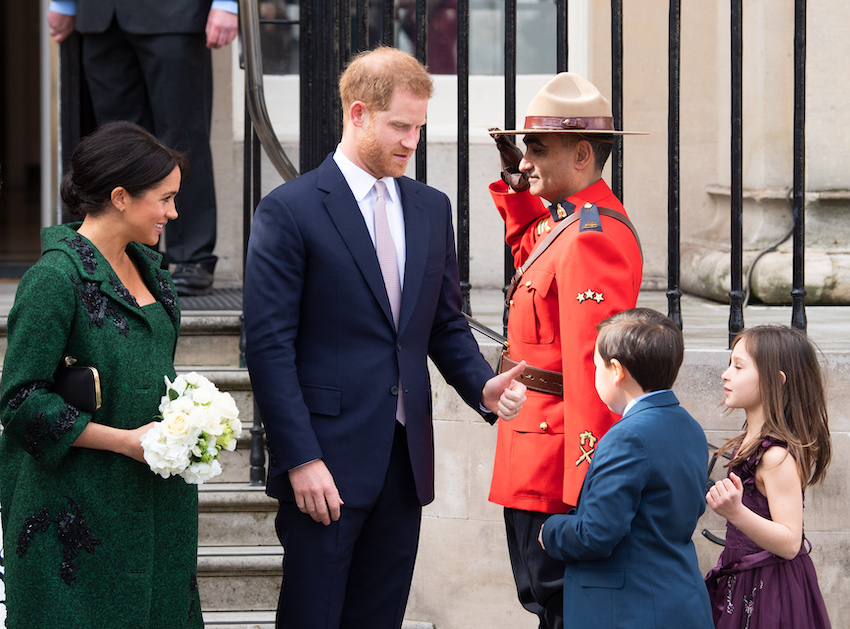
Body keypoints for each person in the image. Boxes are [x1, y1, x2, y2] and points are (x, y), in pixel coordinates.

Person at [243, 46, 528, 629]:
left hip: (404, 463)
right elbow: (268, 349)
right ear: (358, 114)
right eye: (400, 125)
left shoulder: (430, 207)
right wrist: (300, 458)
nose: (411, 142)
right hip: (323, 462)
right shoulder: (290, 211)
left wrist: (483, 387)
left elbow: (442, 323)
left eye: (419, 128)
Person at [0, 121, 202, 627]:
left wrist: (190, 419)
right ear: (120, 197)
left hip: (155, 507)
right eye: (165, 199)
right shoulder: (52, 280)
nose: (174, 213)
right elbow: (20, 403)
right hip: (75, 517)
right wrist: (126, 441)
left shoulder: (153, 270)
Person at [486, 72, 644, 628]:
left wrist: (587, 484)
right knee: (545, 597)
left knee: (563, 604)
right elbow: (532, 253)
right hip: (533, 450)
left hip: (558, 466)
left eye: (537, 148)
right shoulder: (568, 224)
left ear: (582, 153)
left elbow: (595, 369)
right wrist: (518, 185)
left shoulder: (593, 237)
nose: (526, 161)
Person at [46, 0, 239, 296]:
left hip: (175, 14)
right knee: (116, 146)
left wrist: (226, 3)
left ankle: (191, 257)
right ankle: (129, 254)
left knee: (183, 136)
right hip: (101, 16)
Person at [539, 308, 714, 628]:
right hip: (678, 597)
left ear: (616, 370)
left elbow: (596, 533)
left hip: (629, 610)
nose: (595, 374)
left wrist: (549, 531)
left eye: (596, 366)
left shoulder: (628, 437)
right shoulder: (689, 426)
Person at [704, 325, 832, 628]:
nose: (725, 374)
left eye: (738, 366)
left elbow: (789, 543)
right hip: (744, 579)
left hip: (771, 590)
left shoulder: (776, 457)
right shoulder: (751, 441)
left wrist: (736, 512)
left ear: (775, 381)